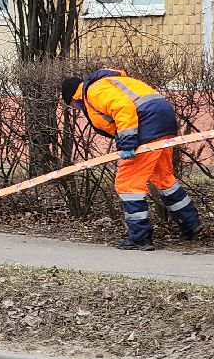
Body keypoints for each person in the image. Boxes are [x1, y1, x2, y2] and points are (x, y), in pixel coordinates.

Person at [61, 69, 202, 251]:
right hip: (163, 120)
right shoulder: (108, 82)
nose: (76, 109)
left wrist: (128, 143)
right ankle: (190, 224)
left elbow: (123, 108)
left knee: (128, 184)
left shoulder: (93, 91)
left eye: (72, 105)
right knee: (163, 177)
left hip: (147, 123)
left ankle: (140, 237)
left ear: (73, 97)